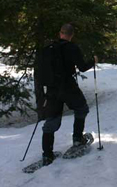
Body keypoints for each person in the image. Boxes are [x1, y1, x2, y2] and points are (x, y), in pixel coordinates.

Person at [41, 23, 98, 166]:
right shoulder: (72, 47)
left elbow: (42, 71)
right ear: (71, 35)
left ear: (60, 33)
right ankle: (77, 139)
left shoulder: (48, 49)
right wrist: (94, 61)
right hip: (68, 86)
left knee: (52, 121)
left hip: (52, 89)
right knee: (82, 108)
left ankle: (47, 155)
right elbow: (83, 67)